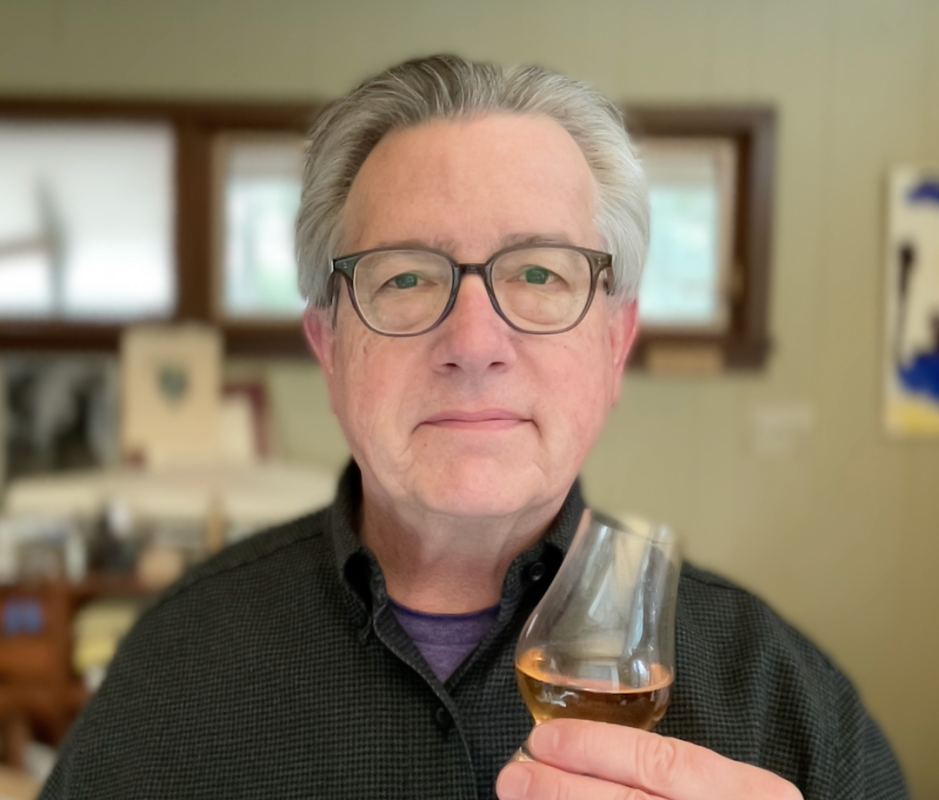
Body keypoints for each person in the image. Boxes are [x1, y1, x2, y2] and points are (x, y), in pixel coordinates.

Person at [41, 55, 906, 800]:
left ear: (615, 342)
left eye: (537, 272)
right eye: (406, 279)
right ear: (328, 347)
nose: (474, 343)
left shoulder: (786, 705)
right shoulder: (170, 673)